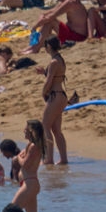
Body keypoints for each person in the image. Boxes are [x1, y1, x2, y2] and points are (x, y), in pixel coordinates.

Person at [38, 36, 69, 166]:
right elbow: (55, 76)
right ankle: (63, 159)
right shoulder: (59, 60)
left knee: (45, 126)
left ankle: (48, 159)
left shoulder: (53, 62)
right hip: (61, 95)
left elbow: (49, 81)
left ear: (49, 47)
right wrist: (44, 72)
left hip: (55, 96)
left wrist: (43, 93)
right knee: (56, 129)